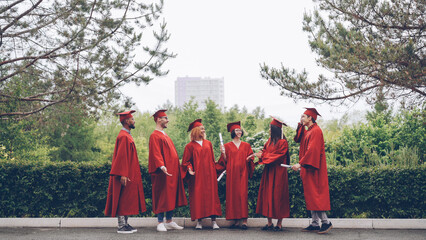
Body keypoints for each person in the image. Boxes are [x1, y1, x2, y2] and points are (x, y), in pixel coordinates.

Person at [104, 110, 146, 234]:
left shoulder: (127, 135)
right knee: (122, 197)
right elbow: (122, 156)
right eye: (132, 119)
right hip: (124, 174)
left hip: (129, 172)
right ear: (127, 121)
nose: (134, 121)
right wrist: (123, 173)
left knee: (127, 198)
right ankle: (121, 226)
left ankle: (126, 224)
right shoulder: (123, 136)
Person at [292, 108, 332, 234]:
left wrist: (300, 163)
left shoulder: (316, 131)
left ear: (310, 118)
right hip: (308, 169)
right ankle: (315, 223)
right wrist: (300, 125)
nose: (301, 118)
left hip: (314, 169)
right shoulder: (308, 131)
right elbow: (297, 138)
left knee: (316, 196)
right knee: (311, 195)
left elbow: (312, 151)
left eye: (303, 116)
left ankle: (326, 222)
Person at [148, 109, 188, 232]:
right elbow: (155, 152)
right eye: (165, 118)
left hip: (171, 171)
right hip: (162, 172)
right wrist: (161, 165)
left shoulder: (165, 135)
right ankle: (160, 222)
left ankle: (169, 221)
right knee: (162, 195)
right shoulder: (155, 135)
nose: (167, 120)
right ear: (158, 119)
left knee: (170, 195)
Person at [249, 117, 290, 231]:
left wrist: (262, 156)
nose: (269, 131)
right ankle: (269, 223)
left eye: (270, 128)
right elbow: (265, 151)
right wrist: (256, 154)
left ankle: (279, 224)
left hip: (279, 172)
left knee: (278, 196)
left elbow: (277, 157)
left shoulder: (283, 142)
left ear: (276, 129)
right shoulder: (269, 141)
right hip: (269, 172)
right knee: (267, 195)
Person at [181, 119, 222, 230]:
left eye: (204, 128)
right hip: (197, 176)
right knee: (198, 197)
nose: (204, 130)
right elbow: (185, 162)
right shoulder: (189, 146)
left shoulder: (208, 143)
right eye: (201, 128)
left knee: (212, 197)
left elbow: (213, 160)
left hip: (210, 175)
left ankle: (214, 221)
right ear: (196, 130)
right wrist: (189, 169)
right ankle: (199, 222)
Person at [216, 121, 254, 229]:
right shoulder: (227, 146)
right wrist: (223, 153)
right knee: (233, 196)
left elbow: (251, 157)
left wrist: (249, 158)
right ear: (233, 132)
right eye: (237, 130)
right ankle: (236, 221)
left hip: (243, 173)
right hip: (232, 173)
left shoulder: (246, 145)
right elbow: (224, 161)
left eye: (240, 130)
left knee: (242, 195)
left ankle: (244, 221)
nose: (239, 132)